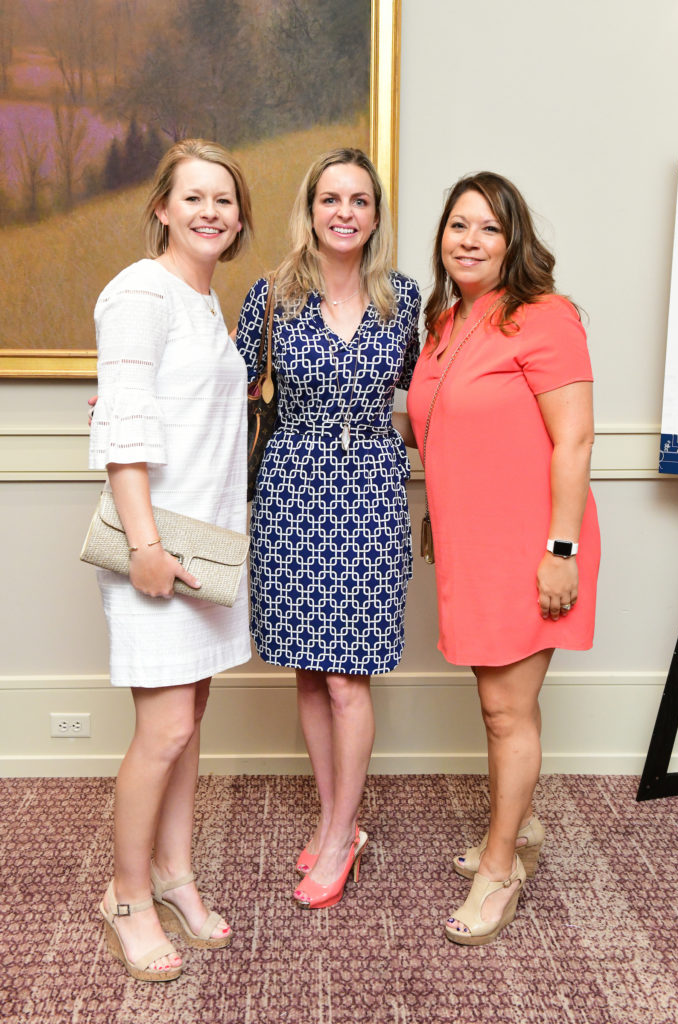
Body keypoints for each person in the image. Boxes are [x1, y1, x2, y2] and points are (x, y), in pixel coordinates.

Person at [406, 172, 600, 945]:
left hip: (532, 544)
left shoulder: (545, 318)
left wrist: (560, 550)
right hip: (470, 542)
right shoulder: (445, 323)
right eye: (458, 226)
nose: (470, 241)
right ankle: (518, 829)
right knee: (499, 705)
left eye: (488, 228)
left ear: (513, 240)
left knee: (502, 708)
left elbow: (575, 439)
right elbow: (447, 435)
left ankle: (499, 868)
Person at [236, 148, 421, 909]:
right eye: (330, 198)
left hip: (372, 490)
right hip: (292, 489)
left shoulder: (404, 298)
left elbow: (431, 397)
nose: (344, 212)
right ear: (309, 210)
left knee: (350, 675)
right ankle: (334, 814)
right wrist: (126, 407)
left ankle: (342, 835)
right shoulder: (271, 295)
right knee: (308, 669)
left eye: (359, 200)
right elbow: (228, 386)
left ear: (375, 216)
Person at [88, 139, 253, 980]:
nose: (209, 212)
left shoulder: (204, 301)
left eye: (223, 200)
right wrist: (145, 548)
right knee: (164, 731)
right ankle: (126, 895)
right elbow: (123, 430)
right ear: (162, 208)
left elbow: (182, 403)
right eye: (193, 198)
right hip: (159, 549)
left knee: (189, 729)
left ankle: (173, 871)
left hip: (208, 550)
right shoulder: (139, 293)